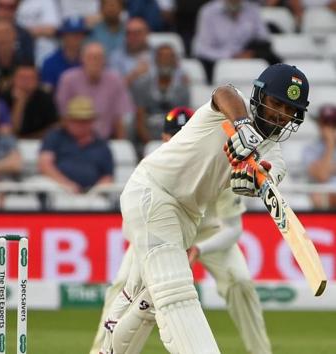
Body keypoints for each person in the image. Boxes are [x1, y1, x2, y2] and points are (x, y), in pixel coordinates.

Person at [99, 63, 308, 353]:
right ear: (260, 96)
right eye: (276, 103)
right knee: (176, 294)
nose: (281, 115)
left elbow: (267, 175)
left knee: (143, 302)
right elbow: (224, 92)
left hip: (187, 217)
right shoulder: (228, 109)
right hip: (153, 192)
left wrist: (255, 177)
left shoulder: (275, 154)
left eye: (290, 111)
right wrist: (242, 127)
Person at [92, 106, 273, 354]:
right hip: (161, 229)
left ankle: (261, 352)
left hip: (209, 235)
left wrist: (199, 248)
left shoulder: (221, 164)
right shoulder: (155, 169)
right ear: (165, 139)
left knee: (240, 281)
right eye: (171, 136)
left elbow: (232, 230)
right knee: (124, 284)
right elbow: (134, 229)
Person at [57, 42, 134, 139]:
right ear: (82, 59)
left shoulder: (115, 79)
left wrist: (120, 143)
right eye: (90, 57)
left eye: (98, 57)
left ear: (105, 60)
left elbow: (119, 118)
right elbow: (64, 116)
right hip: (73, 139)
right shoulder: (67, 79)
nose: (94, 61)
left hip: (106, 139)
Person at [38, 96, 114, 194]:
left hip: (92, 197)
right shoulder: (55, 137)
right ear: (67, 120)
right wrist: (66, 185)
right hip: (57, 191)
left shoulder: (102, 145)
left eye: (85, 120)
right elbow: (45, 165)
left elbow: (107, 176)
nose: (81, 124)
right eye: (76, 120)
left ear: (92, 121)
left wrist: (93, 193)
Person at [192, 0, 273, 82]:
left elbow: (264, 39)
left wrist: (251, 53)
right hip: (218, 63)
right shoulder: (208, 12)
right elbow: (201, 50)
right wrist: (231, 55)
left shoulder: (253, 9)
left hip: (248, 60)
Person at [132, 44, 190, 156]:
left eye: (169, 58)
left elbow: (183, 123)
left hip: (173, 142)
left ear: (174, 62)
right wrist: (151, 146)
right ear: (156, 61)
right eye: (162, 57)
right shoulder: (142, 85)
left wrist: (171, 146)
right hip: (147, 142)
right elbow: (139, 121)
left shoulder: (182, 89)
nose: (165, 61)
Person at [1, 63, 59, 138]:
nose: (26, 82)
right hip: (10, 141)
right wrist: (20, 102)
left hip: (39, 140)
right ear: (13, 79)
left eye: (30, 78)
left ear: (37, 81)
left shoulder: (45, 98)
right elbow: (12, 129)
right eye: (22, 78)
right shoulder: (4, 97)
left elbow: (54, 126)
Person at [40, 16, 88, 92]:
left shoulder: (90, 60)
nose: (77, 38)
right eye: (72, 34)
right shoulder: (50, 62)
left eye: (80, 34)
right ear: (63, 36)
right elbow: (46, 92)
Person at [306, 104, 336, 209]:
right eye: (325, 124)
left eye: (332, 124)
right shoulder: (310, 149)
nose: (328, 129)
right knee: (318, 196)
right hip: (323, 200)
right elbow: (322, 176)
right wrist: (330, 144)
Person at [109, 17, 153, 88]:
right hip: (126, 98)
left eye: (137, 33)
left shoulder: (158, 54)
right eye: (129, 33)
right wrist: (134, 74)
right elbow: (113, 88)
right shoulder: (116, 57)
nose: (132, 37)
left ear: (147, 33)